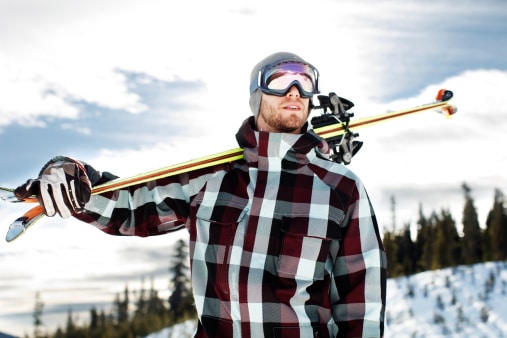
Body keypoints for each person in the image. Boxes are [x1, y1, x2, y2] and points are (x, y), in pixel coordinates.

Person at [15, 52, 387, 337]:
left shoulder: (340, 187)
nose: (295, 90)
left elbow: (361, 300)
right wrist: (77, 180)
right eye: (281, 80)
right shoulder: (212, 178)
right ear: (257, 96)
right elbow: (129, 208)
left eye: (306, 82)